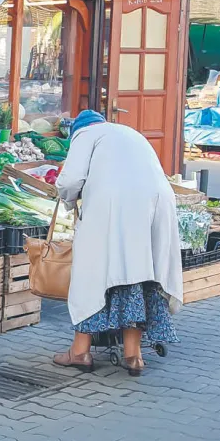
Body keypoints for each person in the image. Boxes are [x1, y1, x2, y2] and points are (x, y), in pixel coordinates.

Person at [53, 110, 183, 376]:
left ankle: (79, 352)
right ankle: (133, 356)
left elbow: (70, 180)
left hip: (115, 206)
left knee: (92, 275)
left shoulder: (84, 133)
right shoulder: (128, 132)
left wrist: (67, 201)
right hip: (157, 203)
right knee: (140, 273)